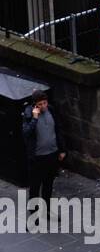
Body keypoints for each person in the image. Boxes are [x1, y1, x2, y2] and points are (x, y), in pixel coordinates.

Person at [21, 90, 65, 222]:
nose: (44, 106)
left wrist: (62, 150)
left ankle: (47, 212)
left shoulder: (51, 110)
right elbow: (26, 133)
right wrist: (34, 118)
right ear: (35, 105)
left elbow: (58, 130)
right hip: (37, 158)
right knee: (35, 187)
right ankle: (34, 216)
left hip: (52, 155)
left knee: (48, 185)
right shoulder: (29, 114)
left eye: (45, 103)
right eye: (40, 104)